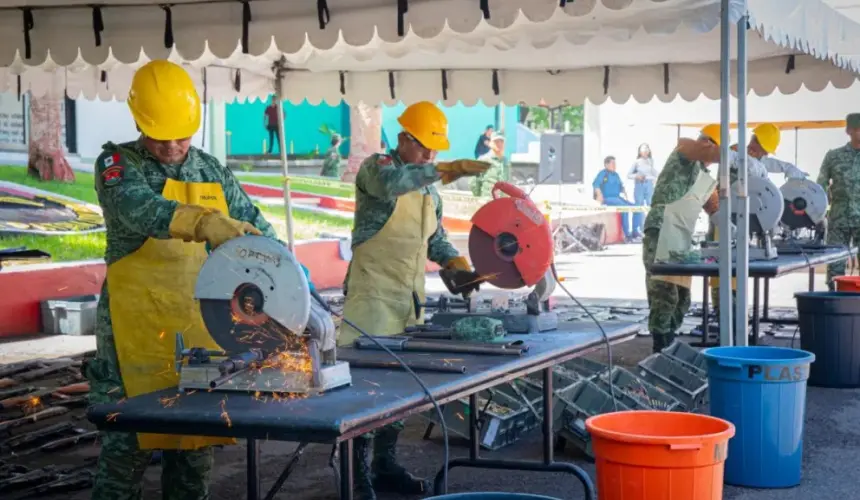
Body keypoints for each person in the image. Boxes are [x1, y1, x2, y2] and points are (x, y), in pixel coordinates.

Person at [86, 60, 314, 499]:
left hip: (198, 331)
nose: (173, 145)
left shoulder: (211, 169)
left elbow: (252, 225)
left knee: (193, 454)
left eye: (182, 135)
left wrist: (286, 267)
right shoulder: (117, 164)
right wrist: (206, 223)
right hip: (132, 335)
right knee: (124, 452)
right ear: (139, 121)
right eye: (161, 136)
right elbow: (140, 209)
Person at [339, 101, 489, 500]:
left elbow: (433, 237)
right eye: (423, 148)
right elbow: (393, 185)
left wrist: (455, 261)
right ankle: (355, 476)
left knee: (398, 395)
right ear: (403, 139)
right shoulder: (377, 168)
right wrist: (445, 170)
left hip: (408, 301)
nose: (430, 157)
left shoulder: (428, 193)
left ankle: (384, 465)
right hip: (370, 299)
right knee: (365, 392)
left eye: (436, 152)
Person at [708, 123, 809, 321]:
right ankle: (723, 314)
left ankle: (736, 316)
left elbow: (767, 164)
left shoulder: (755, 157)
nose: (763, 155)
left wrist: (788, 168)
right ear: (754, 144)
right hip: (724, 217)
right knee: (723, 268)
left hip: (743, 221)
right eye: (762, 150)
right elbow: (748, 167)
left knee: (739, 269)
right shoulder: (735, 153)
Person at [643, 126, 722, 353]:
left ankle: (669, 344)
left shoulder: (705, 179)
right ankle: (661, 347)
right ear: (707, 142)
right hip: (661, 226)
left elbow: (715, 209)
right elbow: (694, 147)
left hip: (681, 235)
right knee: (664, 292)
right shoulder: (683, 154)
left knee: (682, 297)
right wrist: (729, 155)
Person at [819, 113, 860, 290]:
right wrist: (818, 214)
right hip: (838, 220)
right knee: (835, 266)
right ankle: (833, 304)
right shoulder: (833, 157)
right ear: (849, 130)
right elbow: (819, 187)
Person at [593, 156, 644, 242]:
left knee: (637, 207)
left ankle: (635, 232)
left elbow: (621, 187)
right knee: (624, 208)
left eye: (615, 163)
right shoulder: (603, 173)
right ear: (606, 164)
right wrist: (599, 195)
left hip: (618, 198)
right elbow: (596, 184)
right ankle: (627, 235)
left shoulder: (616, 175)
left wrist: (625, 193)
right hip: (608, 198)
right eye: (612, 163)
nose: (614, 165)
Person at [471, 132, 508, 197]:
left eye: (501, 141)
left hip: (502, 202)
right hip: (488, 201)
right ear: (490, 144)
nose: (499, 144)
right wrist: (481, 198)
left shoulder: (505, 161)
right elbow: (473, 183)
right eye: (496, 142)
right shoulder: (483, 160)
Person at [628, 143, 658, 208]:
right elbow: (629, 175)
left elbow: (654, 173)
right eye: (643, 151)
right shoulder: (636, 162)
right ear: (640, 152)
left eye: (647, 151)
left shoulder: (651, 161)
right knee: (639, 205)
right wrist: (637, 176)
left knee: (650, 204)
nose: (645, 152)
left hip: (649, 185)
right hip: (639, 185)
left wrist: (655, 178)